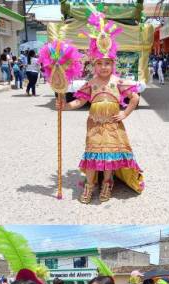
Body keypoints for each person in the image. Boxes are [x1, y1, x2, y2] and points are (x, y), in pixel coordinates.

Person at [58, 12, 144, 203]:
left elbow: (135, 97)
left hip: (113, 126)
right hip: (95, 125)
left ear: (113, 64)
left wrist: (125, 113)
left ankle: (107, 183)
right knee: (92, 156)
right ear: (93, 64)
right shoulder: (91, 83)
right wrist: (65, 106)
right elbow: (80, 101)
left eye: (107, 63)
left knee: (109, 158)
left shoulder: (117, 81)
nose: (104, 67)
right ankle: (89, 186)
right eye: (100, 63)